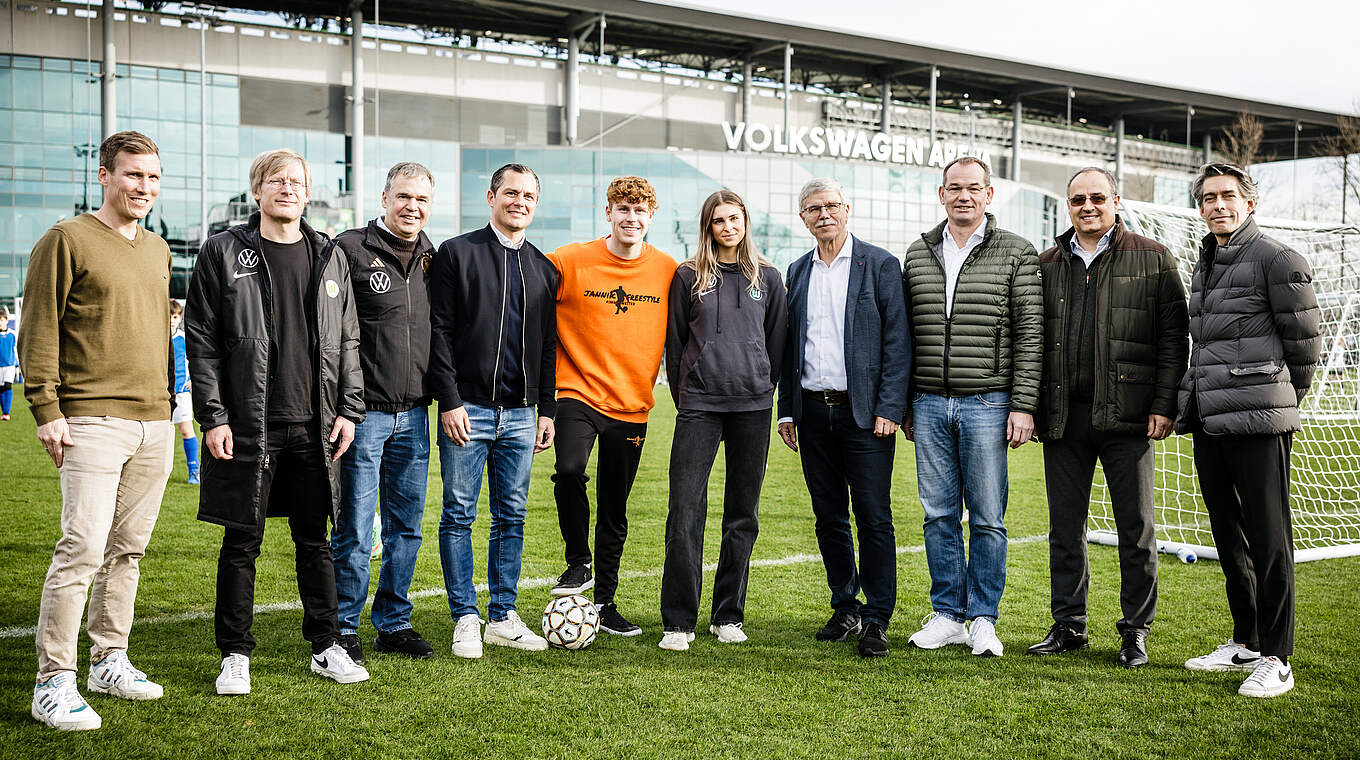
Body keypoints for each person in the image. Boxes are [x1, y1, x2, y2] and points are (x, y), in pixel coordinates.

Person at [185, 149, 368, 695]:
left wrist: (349, 409)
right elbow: (203, 340)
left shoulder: (329, 255)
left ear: (307, 192)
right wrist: (214, 417)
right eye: (276, 181)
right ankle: (235, 655)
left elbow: (350, 339)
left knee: (316, 541)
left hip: (314, 425)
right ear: (257, 191)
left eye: (297, 181)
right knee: (242, 542)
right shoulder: (224, 252)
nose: (288, 188)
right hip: (249, 425)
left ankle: (326, 646)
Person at [20, 131, 174, 731]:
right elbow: (38, 330)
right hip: (89, 418)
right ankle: (52, 681)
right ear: (105, 176)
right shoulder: (66, 239)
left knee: (127, 551)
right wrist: (46, 410)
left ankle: (109, 658)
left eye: (153, 178)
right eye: (134, 175)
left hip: (153, 422)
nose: (144, 188)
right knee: (81, 547)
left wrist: (172, 410)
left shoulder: (159, 249)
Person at [1028, 167, 1189, 667]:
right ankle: (1069, 625)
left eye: (1098, 197)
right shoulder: (1048, 262)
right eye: (1078, 199)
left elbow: (1172, 341)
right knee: (1064, 527)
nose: (1088, 206)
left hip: (1129, 419)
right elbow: (1034, 341)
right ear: (1068, 205)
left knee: (1135, 528)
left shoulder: (1153, 257)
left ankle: (1134, 630)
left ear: (1116, 201)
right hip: (1065, 417)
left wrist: (1163, 405)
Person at [1177, 162, 1321, 698]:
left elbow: (1305, 346)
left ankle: (1278, 658)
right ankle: (1248, 640)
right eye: (1208, 198)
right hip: (1211, 419)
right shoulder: (1207, 260)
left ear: (1249, 203)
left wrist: (1277, 402)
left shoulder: (1278, 258)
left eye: (1227, 196)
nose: (1217, 205)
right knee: (1227, 530)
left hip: (1259, 420)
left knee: (1268, 537)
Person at [901, 156, 1042, 658]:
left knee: (987, 517)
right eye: (954, 188)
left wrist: (1023, 405)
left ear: (989, 195)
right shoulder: (918, 253)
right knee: (938, 515)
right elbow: (907, 337)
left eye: (973, 189)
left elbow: (1031, 335)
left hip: (988, 402)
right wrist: (906, 404)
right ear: (941, 194)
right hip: (929, 403)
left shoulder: (1016, 253)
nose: (964, 196)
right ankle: (947, 614)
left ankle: (983, 617)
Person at [776, 177, 910, 658]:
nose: (824, 214)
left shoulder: (879, 265)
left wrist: (889, 408)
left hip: (865, 417)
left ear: (846, 209)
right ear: (804, 218)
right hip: (812, 414)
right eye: (814, 208)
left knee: (873, 517)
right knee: (828, 516)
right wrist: (787, 411)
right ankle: (845, 606)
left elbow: (898, 342)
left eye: (832, 205)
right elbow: (790, 347)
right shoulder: (797, 271)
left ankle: (877, 617)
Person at [429, 163, 558, 658]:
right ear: (491, 197)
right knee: (458, 514)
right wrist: (451, 399)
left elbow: (548, 346)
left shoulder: (545, 269)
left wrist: (546, 410)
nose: (519, 201)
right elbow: (439, 333)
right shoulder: (457, 254)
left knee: (513, 516)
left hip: (523, 416)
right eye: (510, 193)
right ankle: (465, 616)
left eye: (528, 195)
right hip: (469, 411)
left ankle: (502, 615)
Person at [545, 175, 677, 637]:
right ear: (609, 213)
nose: (631, 218)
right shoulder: (569, 260)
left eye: (640, 210)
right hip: (575, 391)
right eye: (623, 209)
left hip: (632, 404)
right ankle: (578, 562)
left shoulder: (668, 270)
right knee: (568, 470)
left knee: (614, 506)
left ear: (651, 217)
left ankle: (603, 604)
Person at [659, 190, 787, 651]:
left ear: (746, 222)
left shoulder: (769, 277)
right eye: (719, 221)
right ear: (708, 227)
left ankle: (728, 615)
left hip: (752, 406)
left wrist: (762, 385)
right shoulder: (688, 275)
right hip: (700, 406)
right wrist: (686, 391)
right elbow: (674, 343)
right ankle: (678, 621)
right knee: (685, 509)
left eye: (735, 219)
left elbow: (777, 343)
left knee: (742, 514)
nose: (728, 227)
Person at [329, 162, 438, 665]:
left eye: (421, 199)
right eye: (403, 197)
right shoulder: (350, 250)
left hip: (416, 417)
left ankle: (393, 622)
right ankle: (343, 627)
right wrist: (342, 405)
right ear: (385, 197)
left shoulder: (432, 257)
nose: (412, 207)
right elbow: (331, 334)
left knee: (407, 527)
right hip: (364, 417)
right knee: (353, 528)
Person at [169, 300, 200, 484]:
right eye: (169, 316)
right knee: (162, 435)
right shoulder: (158, 339)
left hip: (181, 393)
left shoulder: (184, 339)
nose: (172, 320)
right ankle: (158, 474)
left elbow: (196, 360)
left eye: (175, 317)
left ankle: (194, 471)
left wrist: (192, 379)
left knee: (187, 430)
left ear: (180, 318)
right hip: (163, 394)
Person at [0, 305, 16, 421]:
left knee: (7, 386)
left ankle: (7, 412)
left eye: (1, 320)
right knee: (1, 389)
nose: (0, 323)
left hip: (10, 365)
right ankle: (4, 412)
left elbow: (16, 349)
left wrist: (17, 364)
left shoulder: (13, 334)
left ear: (6, 320)